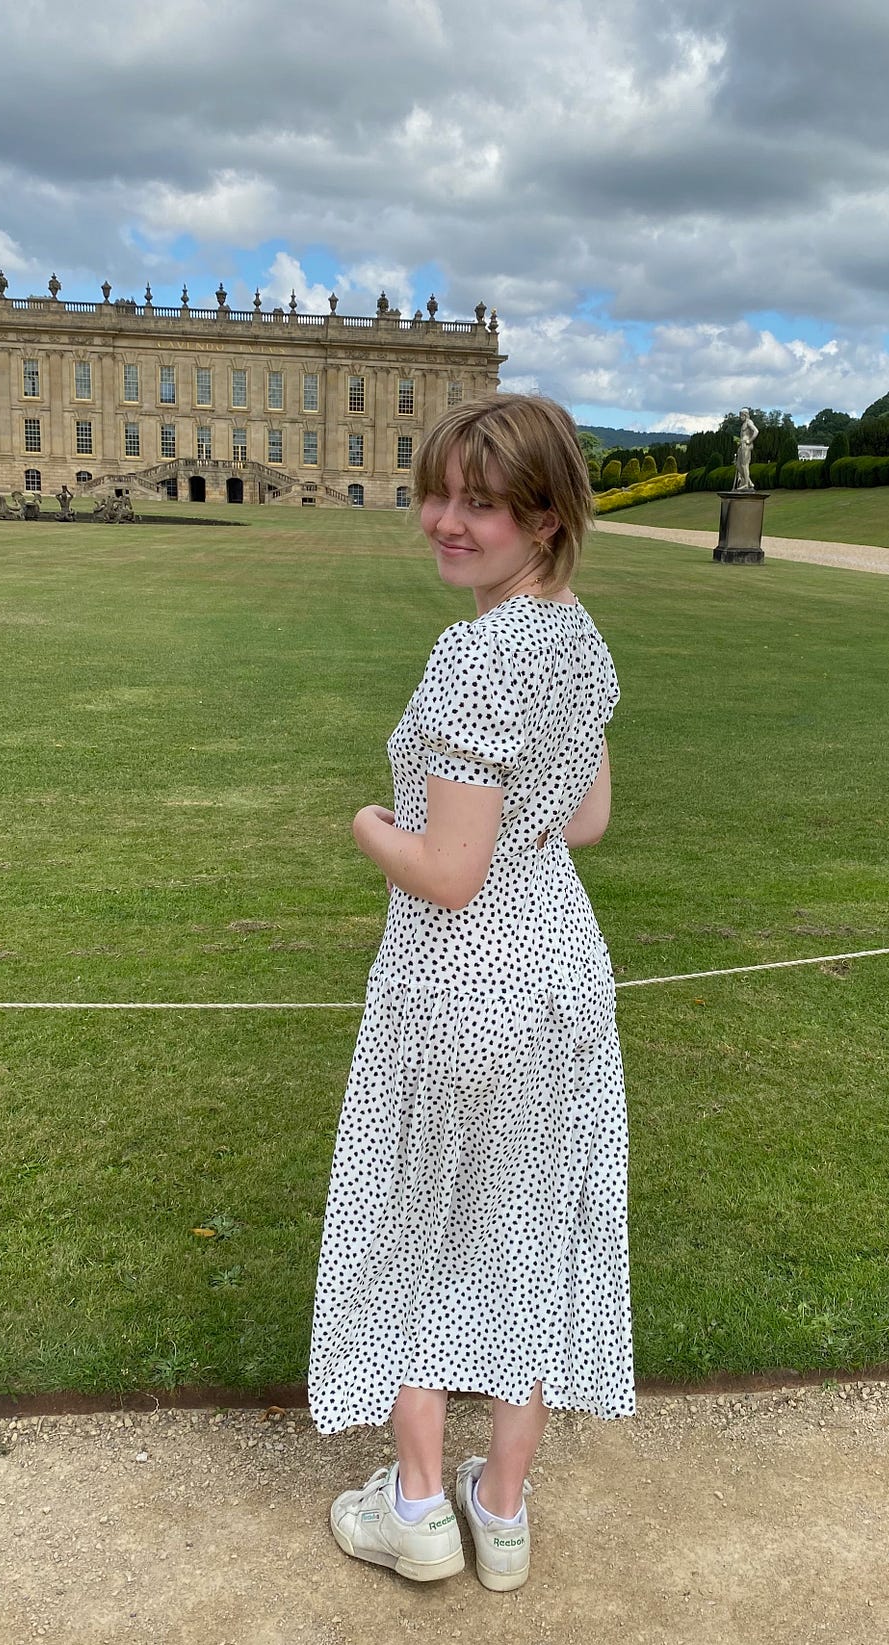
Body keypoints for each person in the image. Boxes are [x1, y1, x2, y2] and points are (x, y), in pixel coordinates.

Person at [308, 393, 634, 1592]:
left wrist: (365, 826)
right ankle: (501, 1510)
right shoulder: (577, 636)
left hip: (463, 982)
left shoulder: (474, 656)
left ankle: (414, 1507)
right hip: (561, 969)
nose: (444, 521)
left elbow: (447, 873)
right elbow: (586, 820)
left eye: (478, 505)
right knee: (530, 1232)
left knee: (415, 1233)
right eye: (435, 494)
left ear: (542, 519)